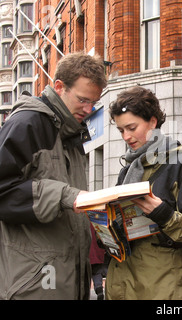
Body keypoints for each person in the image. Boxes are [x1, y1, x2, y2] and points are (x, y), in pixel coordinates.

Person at [0, 52, 108, 300]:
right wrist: (65, 196)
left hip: (62, 278)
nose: (89, 109)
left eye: (94, 102)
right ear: (59, 87)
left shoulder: (71, 132)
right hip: (33, 282)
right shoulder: (28, 123)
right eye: (83, 99)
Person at [105, 86, 182, 300]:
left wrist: (163, 214)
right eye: (120, 130)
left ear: (153, 122)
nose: (126, 136)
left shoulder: (181, 163)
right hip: (124, 284)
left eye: (131, 127)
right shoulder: (129, 168)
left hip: (162, 288)